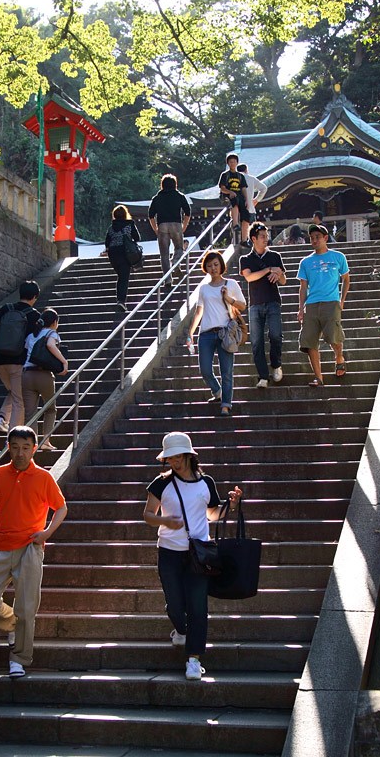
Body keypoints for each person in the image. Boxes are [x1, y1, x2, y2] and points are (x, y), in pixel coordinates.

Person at [143, 431, 242, 680]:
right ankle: (180, 629)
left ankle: (194, 659)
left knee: (198, 608)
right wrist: (165, 520)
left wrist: (230, 506)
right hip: (169, 552)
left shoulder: (206, 482)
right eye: (170, 458)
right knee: (175, 605)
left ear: (189, 455)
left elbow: (212, 515)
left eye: (178, 457)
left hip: (199, 554)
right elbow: (147, 515)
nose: (174, 462)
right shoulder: (161, 483)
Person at [0, 425, 67, 677]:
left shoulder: (44, 477)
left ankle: (19, 658)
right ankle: (13, 625)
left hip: (30, 547)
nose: (20, 453)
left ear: (34, 449)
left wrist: (47, 532)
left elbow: (61, 507)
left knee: (27, 607)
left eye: (26, 447)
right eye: (15, 447)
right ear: (8, 448)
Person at [187, 251, 246, 416]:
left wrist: (229, 299)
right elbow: (199, 311)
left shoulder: (231, 284)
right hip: (205, 333)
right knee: (205, 369)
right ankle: (217, 391)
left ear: (221, 265)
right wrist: (191, 332)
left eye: (216, 264)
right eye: (209, 265)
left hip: (224, 332)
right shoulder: (204, 288)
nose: (213, 268)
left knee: (226, 371)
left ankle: (226, 404)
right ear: (205, 267)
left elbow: (242, 306)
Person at [297, 223, 350, 386]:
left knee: (334, 335)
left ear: (325, 238)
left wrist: (341, 300)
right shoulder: (305, 262)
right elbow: (303, 286)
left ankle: (339, 357)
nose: (314, 240)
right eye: (312, 238)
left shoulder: (338, 257)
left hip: (331, 301)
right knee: (309, 341)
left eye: (317, 237)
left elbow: (346, 279)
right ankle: (318, 377)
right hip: (312, 304)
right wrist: (300, 308)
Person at [0, 281, 41, 433]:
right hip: (17, 361)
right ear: (35, 296)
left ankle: (2, 417)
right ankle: (12, 436)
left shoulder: (6, 308)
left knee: (15, 391)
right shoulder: (34, 315)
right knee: (19, 399)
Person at [240, 223, 286, 388]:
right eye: (263, 237)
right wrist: (268, 270)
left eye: (267, 236)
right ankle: (263, 376)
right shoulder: (245, 259)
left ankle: (276, 364)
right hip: (255, 304)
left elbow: (283, 280)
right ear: (254, 239)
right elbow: (249, 277)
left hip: (273, 301)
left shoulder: (275, 256)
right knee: (256, 341)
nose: (266, 239)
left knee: (275, 335)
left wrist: (278, 273)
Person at [22, 308, 68, 451]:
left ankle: (31, 445)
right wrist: (64, 362)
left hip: (27, 375)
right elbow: (50, 345)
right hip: (43, 375)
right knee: (50, 409)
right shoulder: (51, 333)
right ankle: (46, 442)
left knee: (30, 413)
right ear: (55, 322)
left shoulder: (31, 335)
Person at [149, 174, 191, 286]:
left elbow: (151, 215)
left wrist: (155, 229)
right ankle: (176, 263)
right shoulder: (179, 196)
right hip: (176, 225)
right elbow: (187, 211)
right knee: (179, 248)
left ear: (162, 184)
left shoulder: (157, 198)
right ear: (175, 184)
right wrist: (184, 226)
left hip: (162, 225)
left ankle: (167, 279)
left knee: (164, 254)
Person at [101, 205, 141, 312]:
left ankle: (120, 299)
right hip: (125, 253)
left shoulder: (111, 228)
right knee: (124, 278)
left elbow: (107, 243)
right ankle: (121, 301)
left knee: (121, 276)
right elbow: (137, 237)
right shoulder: (130, 224)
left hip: (113, 255)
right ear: (125, 214)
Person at [218, 153, 249, 245]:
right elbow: (222, 188)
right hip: (227, 196)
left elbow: (243, 188)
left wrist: (247, 199)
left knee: (246, 215)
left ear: (237, 163)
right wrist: (230, 192)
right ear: (228, 163)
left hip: (239, 196)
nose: (232, 163)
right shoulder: (225, 175)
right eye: (230, 162)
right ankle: (235, 224)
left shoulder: (240, 176)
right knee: (234, 201)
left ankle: (244, 240)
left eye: (234, 162)